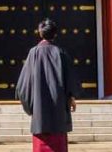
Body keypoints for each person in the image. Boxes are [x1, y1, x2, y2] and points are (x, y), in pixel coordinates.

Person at [15, 18, 77, 152]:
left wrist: (31, 107)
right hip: (58, 112)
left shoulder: (33, 53)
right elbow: (70, 82)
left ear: (40, 33)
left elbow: (23, 86)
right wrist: (71, 98)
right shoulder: (61, 53)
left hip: (40, 114)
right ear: (55, 34)